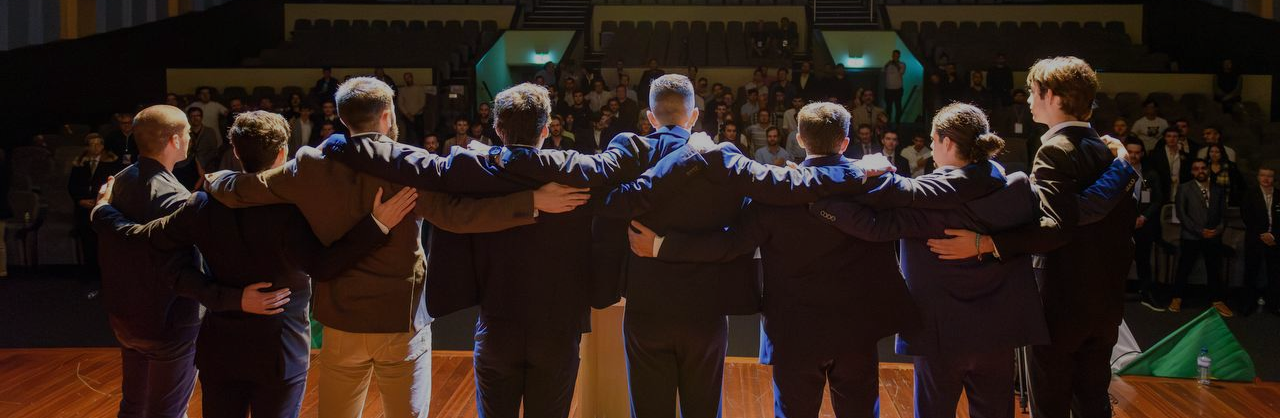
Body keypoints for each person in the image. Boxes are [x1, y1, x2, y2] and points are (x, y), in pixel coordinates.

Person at [202, 78, 583, 418]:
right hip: (400, 319)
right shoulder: (407, 166)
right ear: (387, 116)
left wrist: (215, 180)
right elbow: (459, 216)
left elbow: (247, 189)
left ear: (342, 117)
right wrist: (530, 202)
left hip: (342, 318)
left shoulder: (309, 164)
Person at [92, 110, 417, 418]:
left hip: (220, 349)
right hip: (280, 351)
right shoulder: (292, 210)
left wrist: (103, 211)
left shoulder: (201, 204)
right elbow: (324, 266)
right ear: (283, 153)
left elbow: (150, 246)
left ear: (235, 151)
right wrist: (376, 225)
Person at [625, 102, 919, 418]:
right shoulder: (876, 183)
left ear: (800, 139)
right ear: (845, 142)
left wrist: (662, 246)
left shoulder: (777, 194)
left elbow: (729, 245)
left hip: (794, 330)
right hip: (857, 329)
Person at [924, 57, 1139, 418]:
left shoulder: (1055, 150)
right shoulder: (1108, 150)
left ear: (1051, 96)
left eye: (1032, 92)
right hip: (1105, 301)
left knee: (1050, 404)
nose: (1027, 99)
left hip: (1060, 301)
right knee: (1093, 401)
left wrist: (986, 243)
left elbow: (1057, 227)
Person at [810, 103, 1050, 418]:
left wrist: (819, 203)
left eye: (934, 140)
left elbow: (872, 226)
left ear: (947, 141)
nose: (933, 147)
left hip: (939, 333)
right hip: (998, 332)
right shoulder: (1016, 189)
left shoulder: (921, 198)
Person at [97, 105, 203, 418]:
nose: (189, 138)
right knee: (168, 412)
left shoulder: (119, 182)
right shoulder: (177, 200)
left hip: (126, 317)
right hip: (169, 322)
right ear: (174, 140)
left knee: (133, 407)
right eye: (187, 133)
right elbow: (187, 267)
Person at [1171, 159, 1231, 317]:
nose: (1200, 171)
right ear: (1192, 172)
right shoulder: (1184, 188)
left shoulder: (1218, 189)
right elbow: (1182, 214)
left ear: (1208, 169)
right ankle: (1177, 298)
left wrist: (1217, 230)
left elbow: (1224, 215)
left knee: (1214, 269)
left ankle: (1217, 301)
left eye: (1203, 168)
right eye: (1196, 169)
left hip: (1213, 236)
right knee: (1184, 268)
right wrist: (1200, 231)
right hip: (1191, 236)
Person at [67, 134, 124, 284]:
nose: (95, 147)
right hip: (83, 208)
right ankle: (89, 272)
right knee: (87, 241)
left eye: (98, 144)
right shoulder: (79, 163)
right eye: (91, 144)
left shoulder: (112, 163)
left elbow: (115, 185)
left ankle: (105, 274)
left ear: (103, 146)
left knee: (103, 241)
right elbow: (72, 185)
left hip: (103, 207)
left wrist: (100, 200)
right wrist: (80, 200)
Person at [1125, 139, 1166, 311]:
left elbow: (1157, 200)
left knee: (1143, 260)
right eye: (1130, 152)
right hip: (1122, 225)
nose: (1133, 155)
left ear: (1142, 154)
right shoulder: (1118, 171)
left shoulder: (1150, 174)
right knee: (1119, 260)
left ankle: (1146, 294)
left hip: (1143, 224)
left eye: (1137, 152)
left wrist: (1144, 217)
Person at [1242, 167, 1280, 316]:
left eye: (1269, 176)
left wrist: (1273, 236)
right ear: (1258, 177)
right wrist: (1263, 235)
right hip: (1255, 239)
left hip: (1275, 240)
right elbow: (1247, 217)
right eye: (1263, 175)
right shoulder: (1250, 194)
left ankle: (1274, 304)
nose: (1266, 178)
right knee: (1251, 272)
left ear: (1274, 179)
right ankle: (1247, 304)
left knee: (1275, 273)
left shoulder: (1279, 194)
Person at [1145, 128, 1189, 202]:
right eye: (1169, 136)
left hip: (1179, 190)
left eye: (1175, 136)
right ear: (1164, 138)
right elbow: (1150, 176)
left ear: (1179, 138)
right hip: (1162, 190)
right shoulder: (1155, 154)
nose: (1172, 139)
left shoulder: (1185, 155)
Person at [884, 50, 906, 125]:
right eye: (894, 55)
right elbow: (883, 71)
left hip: (898, 89)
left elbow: (901, 72)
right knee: (888, 108)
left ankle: (898, 124)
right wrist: (887, 65)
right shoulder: (888, 64)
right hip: (888, 89)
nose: (895, 57)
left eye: (896, 55)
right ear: (892, 56)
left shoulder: (902, 64)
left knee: (898, 107)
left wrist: (896, 64)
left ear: (899, 56)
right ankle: (888, 124)